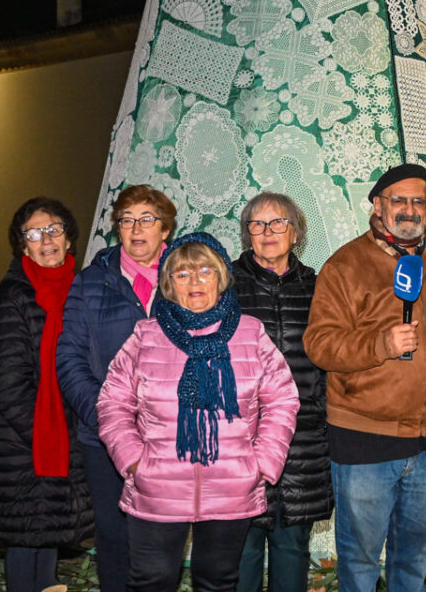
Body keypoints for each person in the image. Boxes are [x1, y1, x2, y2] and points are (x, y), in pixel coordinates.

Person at [303, 164, 426, 592]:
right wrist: (379, 344)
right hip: (365, 439)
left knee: (414, 555)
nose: (409, 209)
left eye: (418, 201)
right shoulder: (345, 265)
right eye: (398, 199)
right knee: (360, 561)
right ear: (377, 205)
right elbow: (319, 343)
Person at [97, 233, 300, 592]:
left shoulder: (251, 334)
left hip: (232, 487)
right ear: (169, 284)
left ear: (221, 277)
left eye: (205, 271)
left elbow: (282, 400)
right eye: (182, 274)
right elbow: (113, 402)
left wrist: (262, 464)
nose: (195, 282)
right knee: (151, 581)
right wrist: (132, 460)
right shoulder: (146, 336)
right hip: (156, 487)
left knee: (218, 583)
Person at [58, 185, 177, 592]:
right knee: (113, 538)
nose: (136, 229)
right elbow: (70, 359)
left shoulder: (187, 279)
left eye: (147, 219)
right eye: (126, 220)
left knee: (162, 541)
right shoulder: (91, 282)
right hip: (104, 438)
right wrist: (109, 419)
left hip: (170, 437)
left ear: (166, 229)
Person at [0, 197, 95, 592]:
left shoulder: (83, 289)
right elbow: (10, 380)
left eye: (54, 229)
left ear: (69, 239)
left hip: (67, 434)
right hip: (23, 442)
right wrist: (48, 433)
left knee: (48, 543)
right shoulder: (14, 293)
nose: (46, 239)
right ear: (22, 244)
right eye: (34, 233)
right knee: (25, 546)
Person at [230, 193, 331, 592]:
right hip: (242, 441)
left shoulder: (318, 287)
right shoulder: (225, 287)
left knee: (292, 551)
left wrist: (320, 412)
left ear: (296, 232)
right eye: (257, 224)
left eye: (278, 223)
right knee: (243, 551)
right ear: (247, 234)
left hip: (303, 442)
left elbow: (331, 358)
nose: (268, 232)